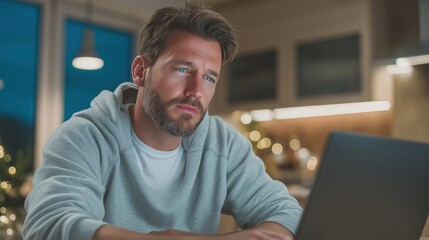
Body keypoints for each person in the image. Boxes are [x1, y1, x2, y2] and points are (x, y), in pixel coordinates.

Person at [23, 1, 303, 239]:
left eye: (209, 77)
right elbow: (48, 225)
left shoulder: (223, 144)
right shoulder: (84, 136)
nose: (196, 91)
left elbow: (289, 214)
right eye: (182, 69)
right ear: (140, 71)